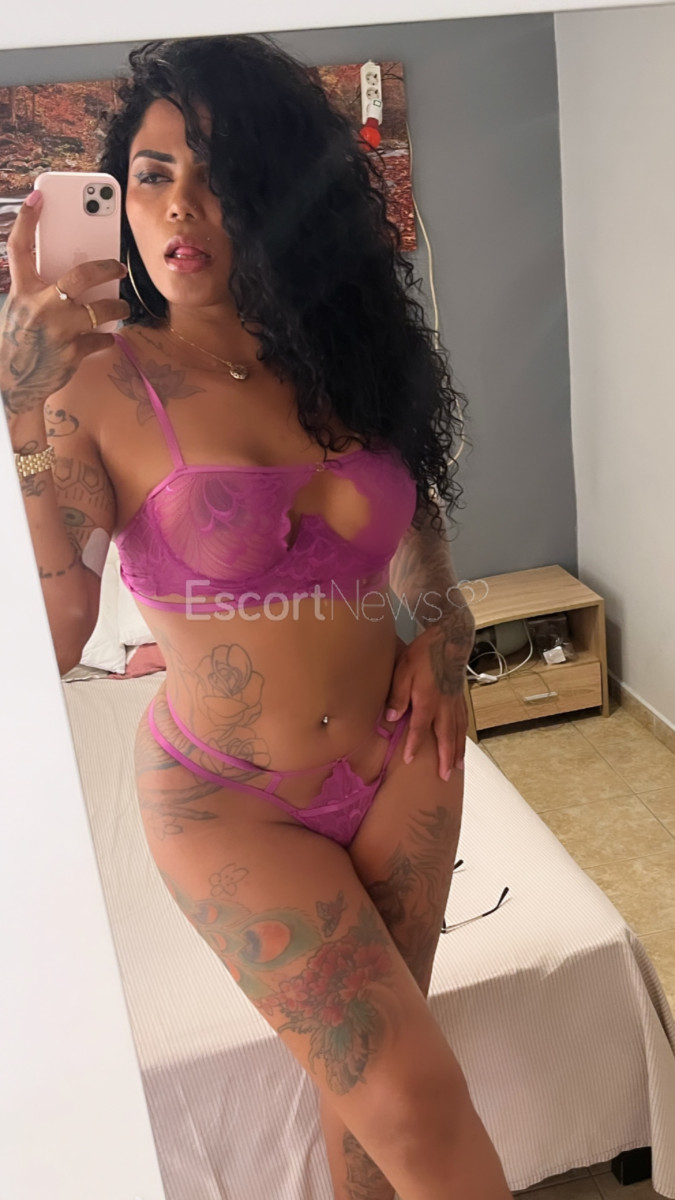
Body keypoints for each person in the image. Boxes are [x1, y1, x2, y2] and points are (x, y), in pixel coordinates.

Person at [0, 34, 512, 1200]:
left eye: (222, 175)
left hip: (405, 760)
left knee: (373, 1105)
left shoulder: (345, 353)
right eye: (153, 175)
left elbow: (416, 516)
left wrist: (444, 630)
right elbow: (59, 631)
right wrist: (21, 413)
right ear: (121, 199)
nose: (184, 205)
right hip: (228, 801)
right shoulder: (93, 383)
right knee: (419, 1105)